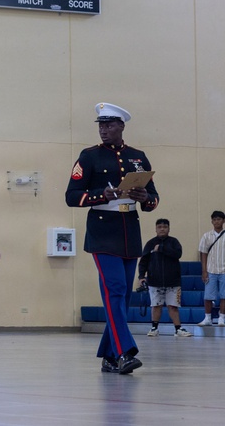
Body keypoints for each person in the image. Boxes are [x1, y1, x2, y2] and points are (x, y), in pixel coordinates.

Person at [65, 102, 158, 375]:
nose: (103, 130)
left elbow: (153, 198)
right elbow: (71, 196)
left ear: (121, 126)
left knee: (123, 296)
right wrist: (99, 195)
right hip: (102, 231)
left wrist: (145, 197)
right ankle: (124, 352)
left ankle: (108, 355)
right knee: (114, 290)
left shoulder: (138, 157)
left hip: (129, 230)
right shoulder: (89, 156)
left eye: (109, 125)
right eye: (101, 125)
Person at [137, 218, 192, 337]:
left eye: (165, 227)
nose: (162, 229)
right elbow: (143, 261)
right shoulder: (150, 243)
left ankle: (178, 329)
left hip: (173, 282)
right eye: (159, 227)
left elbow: (178, 254)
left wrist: (162, 249)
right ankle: (154, 328)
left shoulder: (174, 242)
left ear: (169, 229)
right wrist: (141, 276)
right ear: (156, 229)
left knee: (173, 306)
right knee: (156, 305)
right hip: (154, 281)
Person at [197, 210, 225, 326]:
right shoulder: (206, 236)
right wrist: (204, 271)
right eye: (214, 219)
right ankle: (207, 318)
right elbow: (203, 253)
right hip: (211, 270)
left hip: (224, 271)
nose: (217, 221)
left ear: (223, 221)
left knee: (224, 295)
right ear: (212, 221)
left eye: (219, 219)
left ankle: (222, 318)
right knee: (208, 296)